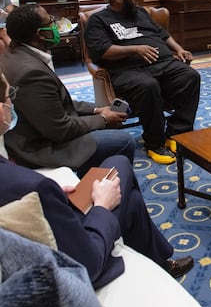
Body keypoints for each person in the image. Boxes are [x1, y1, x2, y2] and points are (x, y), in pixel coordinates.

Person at [0, 71, 194, 287]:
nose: (13, 102)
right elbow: (88, 263)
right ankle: (161, 261)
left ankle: (159, 259)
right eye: (11, 96)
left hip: (43, 217)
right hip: (73, 268)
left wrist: (54, 197)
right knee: (120, 168)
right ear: (1, 111)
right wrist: (102, 205)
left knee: (127, 191)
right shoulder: (35, 185)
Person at [1, 4, 135, 177]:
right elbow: (60, 130)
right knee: (125, 141)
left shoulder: (15, 53)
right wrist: (102, 118)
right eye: (50, 22)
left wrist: (95, 110)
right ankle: (92, 192)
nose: (55, 25)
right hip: (39, 147)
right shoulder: (31, 73)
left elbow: (54, 102)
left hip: (36, 129)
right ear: (40, 34)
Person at [84, 0, 201, 164]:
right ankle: (154, 143)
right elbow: (101, 50)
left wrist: (179, 49)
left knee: (190, 76)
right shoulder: (98, 21)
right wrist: (135, 49)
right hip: (127, 69)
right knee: (148, 86)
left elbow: (163, 34)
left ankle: (178, 133)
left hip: (162, 63)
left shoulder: (140, 13)